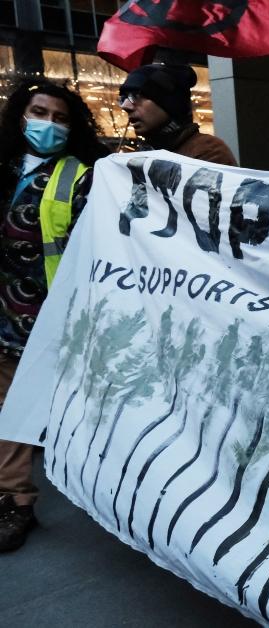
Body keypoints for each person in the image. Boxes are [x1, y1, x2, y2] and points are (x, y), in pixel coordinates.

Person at [0, 79, 109, 552]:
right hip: (4, 314)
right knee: (9, 412)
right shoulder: (3, 168)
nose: (48, 124)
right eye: (39, 112)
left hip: (55, 320)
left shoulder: (83, 176)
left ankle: (121, 497)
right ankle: (14, 499)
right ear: (20, 115)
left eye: (60, 118)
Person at [119, 63, 237, 166]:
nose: (125, 106)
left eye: (134, 96)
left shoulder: (208, 151)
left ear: (168, 103)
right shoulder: (146, 152)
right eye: (123, 98)